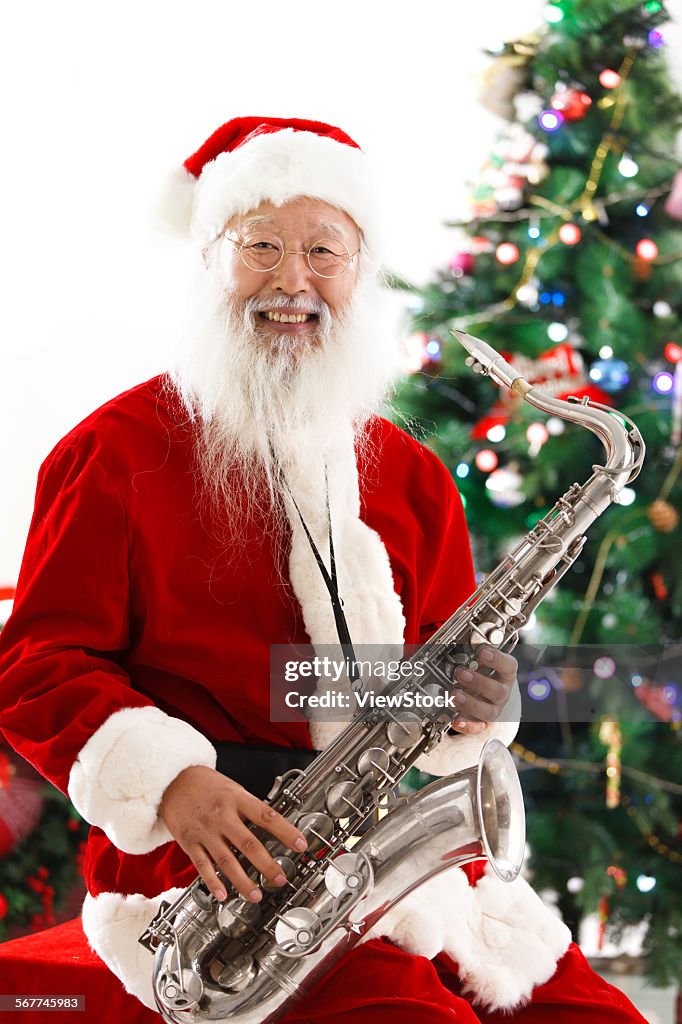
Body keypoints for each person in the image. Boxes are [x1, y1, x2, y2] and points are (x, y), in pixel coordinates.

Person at [0, 117, 646, 1023]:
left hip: (388, 846)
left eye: (323, 250)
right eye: (259, 245)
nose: (293, 280)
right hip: (214, 862)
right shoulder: (112, 452)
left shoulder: (411, 473)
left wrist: (473, 701)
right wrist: (174, 783)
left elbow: (427, 668)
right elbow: (34, 667)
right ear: (211, 260)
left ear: (358, 270)